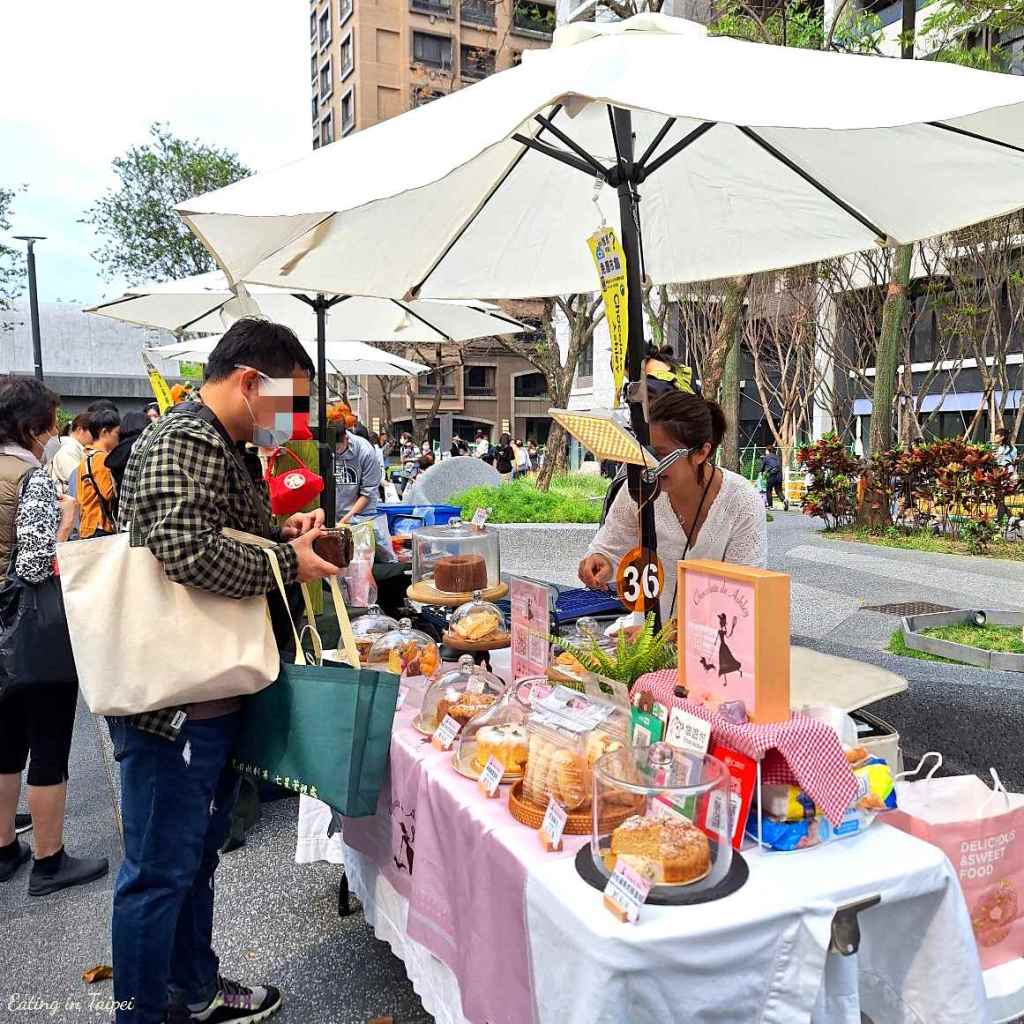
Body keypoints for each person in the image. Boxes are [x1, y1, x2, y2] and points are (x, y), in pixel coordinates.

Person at [107, 319, 338, 1024]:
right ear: (249, 383)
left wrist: (282, 534)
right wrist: (287, 561)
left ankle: (195, 990)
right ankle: (141, 1013)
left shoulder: (221, 444)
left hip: (211, 692)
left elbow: (223, 534)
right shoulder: (182, 440)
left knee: (193, 862)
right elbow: (184, 551)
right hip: (173, 705)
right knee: (157, 875)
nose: (292, 425)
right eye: (290, 405)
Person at [0, 378, 109, 896]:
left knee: (2, 745)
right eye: (50, 423)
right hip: (31, 631)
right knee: (46, 743)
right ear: (30, 426)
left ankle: (3, 849)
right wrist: (65, 523)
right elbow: (36, 563)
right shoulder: (31, 478)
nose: (54, 433)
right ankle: (49, 860)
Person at [579, 390, 767, 623]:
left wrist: (671, 638)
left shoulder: (742, 502)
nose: (650, 464)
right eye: (646, 452)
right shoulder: (639, 488)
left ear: (701, 452)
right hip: (644, 634)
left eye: (661, 454)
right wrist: (600, 562)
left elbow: (743, 597)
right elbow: (608, 550)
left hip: (715, 642)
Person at [76, 407, 121, 538]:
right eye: (117, 433)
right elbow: (108, 493)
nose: (118, 438)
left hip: (88, 525)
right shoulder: (100, 458)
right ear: (104, 432)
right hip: (100, 525)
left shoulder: (87, 455)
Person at [334, 420, 382, 525]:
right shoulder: (325, 449)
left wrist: (343, 522)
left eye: (337, 449)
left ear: (346, 438)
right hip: (334, 515)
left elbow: (368, 493)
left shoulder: (366, 452)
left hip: (360, 517)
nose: (335, 453)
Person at [47, 412, 95, 497]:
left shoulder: (73, 448)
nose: (96, 436)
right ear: (80, 430)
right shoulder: (69, 450)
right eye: (94, 432)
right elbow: (77, 483)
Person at [760, 444, 788, 512]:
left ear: (767, 450)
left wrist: (762, 472)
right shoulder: (777, 457)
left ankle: (770, 506)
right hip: (779, 475)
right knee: (779, 490)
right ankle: (784, 500)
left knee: (769, 490)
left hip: (771, 476)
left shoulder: (766, 457)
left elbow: (762, 468)